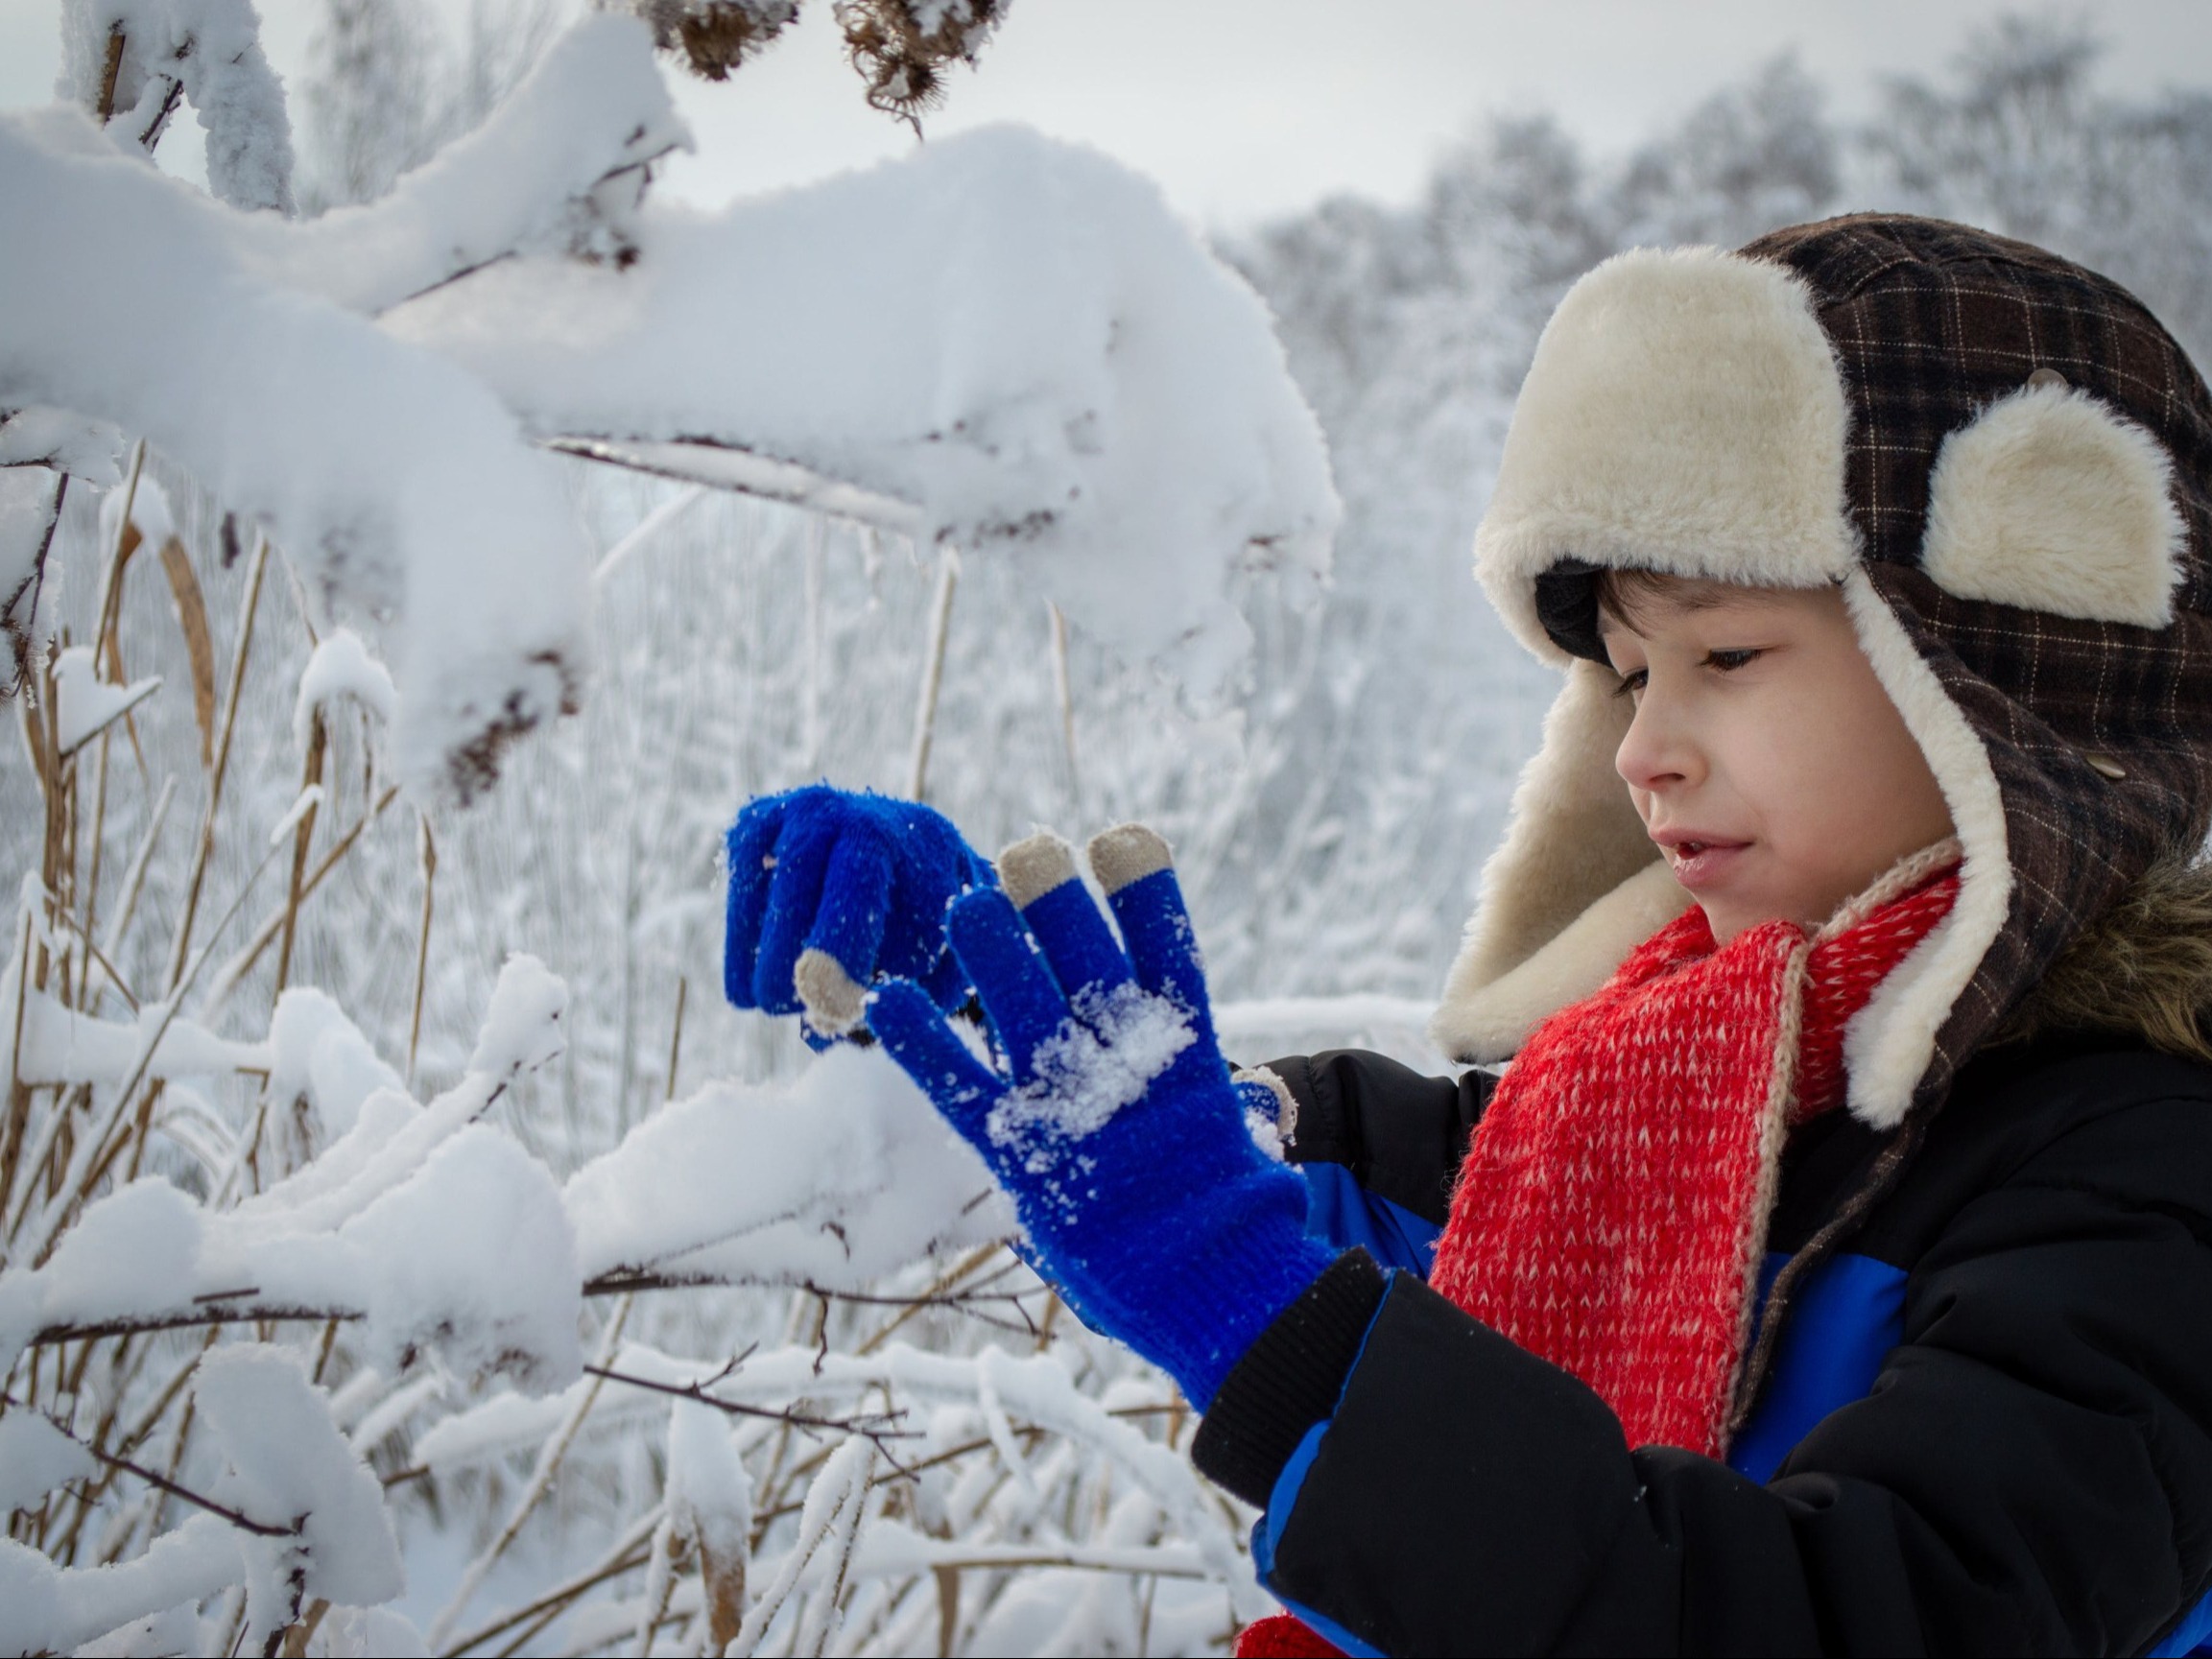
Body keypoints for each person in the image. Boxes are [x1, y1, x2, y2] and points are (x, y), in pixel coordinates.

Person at [723, 215, 2212, 1655]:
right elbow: (1303, 1178)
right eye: (1630, 678)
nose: (1645, 752)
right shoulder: (1671, 1097)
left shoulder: (2149, 1185)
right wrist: (1010, 1001)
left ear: (2007, 687)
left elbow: (1826, 1612)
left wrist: (1271, 1328)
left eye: (1727, 654)